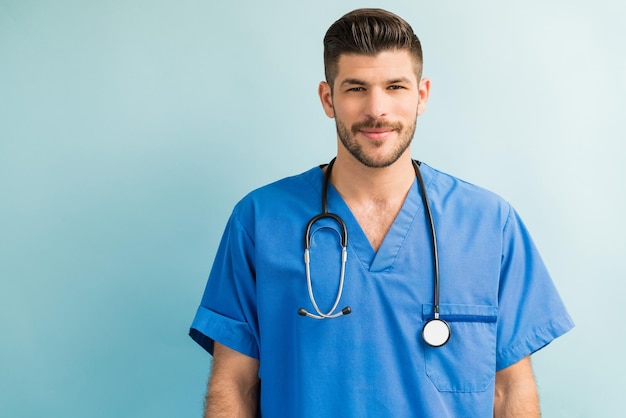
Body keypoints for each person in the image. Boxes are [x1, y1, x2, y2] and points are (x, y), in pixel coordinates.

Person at [189, 8, 574, 417]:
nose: (377, 109)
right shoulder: (260, 220)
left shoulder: (488, 224)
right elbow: (236, 383)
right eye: (356, 88)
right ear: (327, 98)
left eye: (395, 87)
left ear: (421, 95)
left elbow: (509, 389)